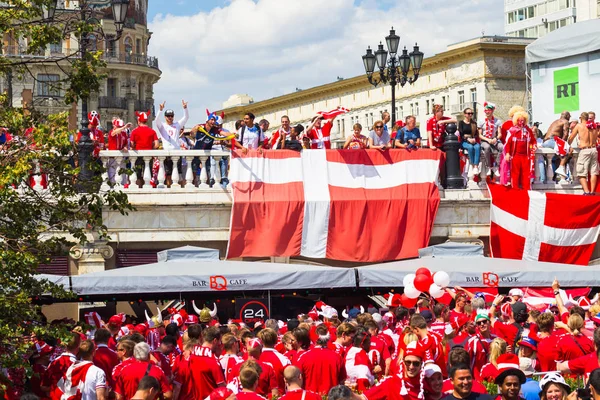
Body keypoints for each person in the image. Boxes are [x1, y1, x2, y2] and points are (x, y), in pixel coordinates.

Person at [295, 325, 344, 395]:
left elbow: (296, 380)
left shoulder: (303, 357)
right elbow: (342, 381)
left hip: (309, 397)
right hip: (331, 397)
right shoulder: (337, 357)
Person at [156, 101, 189, 186]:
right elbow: (156, 120)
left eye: (171, 116)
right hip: (167, 153)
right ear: (165, 117)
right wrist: (160, 110)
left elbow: (186, 117)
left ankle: (179, 190)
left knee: (179, 174)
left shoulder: (177, 125)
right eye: (168, 116)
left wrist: (185, 108)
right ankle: (169, 189)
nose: (170, 118)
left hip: (176, 152)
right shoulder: (162, 126)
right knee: (168, 174)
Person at [504, 111, 536, 190]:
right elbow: (508, 144)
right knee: (515, 174)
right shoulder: (512, 131)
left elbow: (533, 141)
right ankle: (515, 192)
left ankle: (526, 192)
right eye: (519, 120)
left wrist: (534, 146)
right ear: (516, 120)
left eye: (523, 120)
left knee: (526, 175)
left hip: (526, 156)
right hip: (515, 156)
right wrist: (507, 153)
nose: (521, 122)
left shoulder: (528, 131)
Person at [569, 112, 598, 194]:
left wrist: (568, 144)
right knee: (593, 172)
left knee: (581, 172)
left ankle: (586, 191)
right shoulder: (594, 126)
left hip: (585, 150)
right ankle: (592, 192)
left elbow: (571, 137)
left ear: (581, 118)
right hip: (594, 149)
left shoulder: (579, 126)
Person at [542, 111, 571, 180]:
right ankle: (561, 168)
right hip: (552, 141)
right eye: (569, 117)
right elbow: (565, 134)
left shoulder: (555, 121)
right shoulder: (565, 121)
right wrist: (564, 144)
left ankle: (552, 178)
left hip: (545, 142)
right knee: (568, 151)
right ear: (567, 116)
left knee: (554, 160)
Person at [478, 102, 503, 176]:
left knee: (502, 147)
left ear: (492, 111)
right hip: (485, 140)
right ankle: (488, 166)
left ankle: (496, 166)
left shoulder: (497, 121)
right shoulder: (481, 121)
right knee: (487, 147)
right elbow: (479, 135)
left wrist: (495, 138)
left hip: (494, 139)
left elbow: (500, 134)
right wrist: (487, 140)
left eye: (489, 110)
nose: (487, 112)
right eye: (486, 110)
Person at [459, 108, 481, 176]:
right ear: (465, 114)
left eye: (472, 113)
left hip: (473, 140)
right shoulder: (461, 123)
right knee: (470, 147)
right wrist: (468, 138)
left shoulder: (474, 123)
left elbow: (475, 134)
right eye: (469, 113)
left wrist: (473, 138)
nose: (470, 115)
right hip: (464, 141)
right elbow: (461, 133)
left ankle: (476, 166)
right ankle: (472, 164)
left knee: (478, 147)